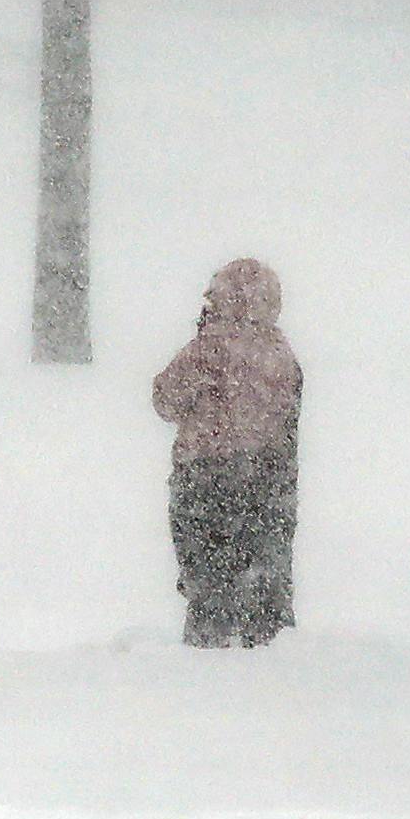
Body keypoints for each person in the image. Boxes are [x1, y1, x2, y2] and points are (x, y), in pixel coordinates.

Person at [152, 258, 300, 647]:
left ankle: (209, 640)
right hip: (267, 475)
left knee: (207, 567)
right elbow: (289, 423)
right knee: (263, 564)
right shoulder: (282, 355)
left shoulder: (207, 350)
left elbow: (165, 399)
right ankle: (266, 637)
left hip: (204, 474)